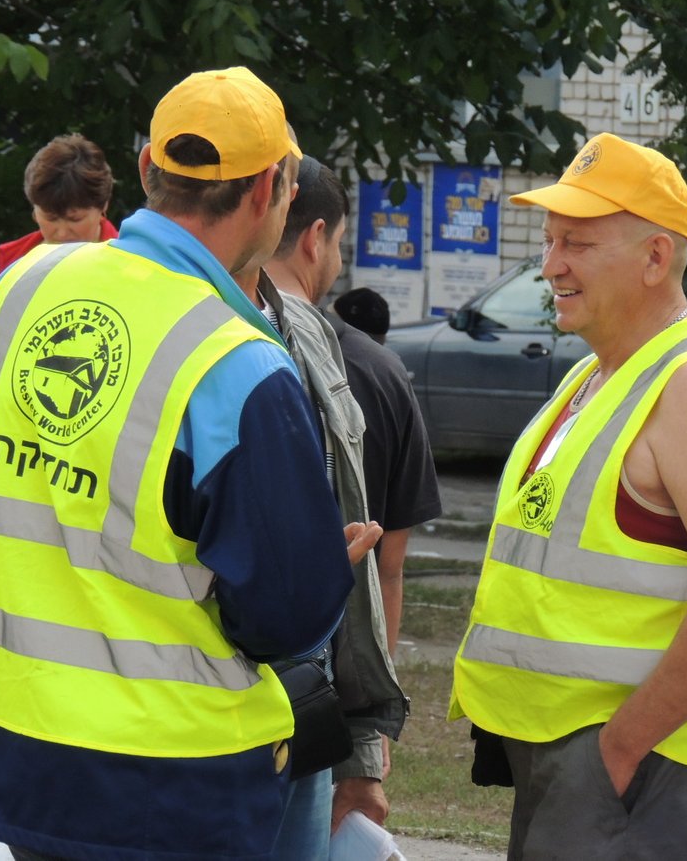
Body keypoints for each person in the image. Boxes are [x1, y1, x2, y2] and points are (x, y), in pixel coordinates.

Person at [0, 66, 381, 861]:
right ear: (274, 186)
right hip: (168, 783)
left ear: (143, 172)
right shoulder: (239, 363)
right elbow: (284, 617)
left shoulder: (20, 288)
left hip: (6, 749)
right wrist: (317, 567)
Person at [448, 132, 687, 860]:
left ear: (655, 257)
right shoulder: (603, 374)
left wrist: (618, 751)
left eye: (576, 243)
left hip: (640, 770)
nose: (551, 266)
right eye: (549, 241)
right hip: (581, 762)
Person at [230, 154, 439, 858]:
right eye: (342, 241)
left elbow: (365, 562)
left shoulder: (317, 343)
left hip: (306, 702)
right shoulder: (379, 369)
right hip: (214, 708)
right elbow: (387, 569)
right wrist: (368, 746)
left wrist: (358, 741)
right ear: (314, 234)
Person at [0, 133, 119, 309]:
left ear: (104, 206)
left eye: (75, 219)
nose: (62, 233)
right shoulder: (6, 261)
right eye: (51, 218)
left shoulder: (131, 264)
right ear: (34, 209)